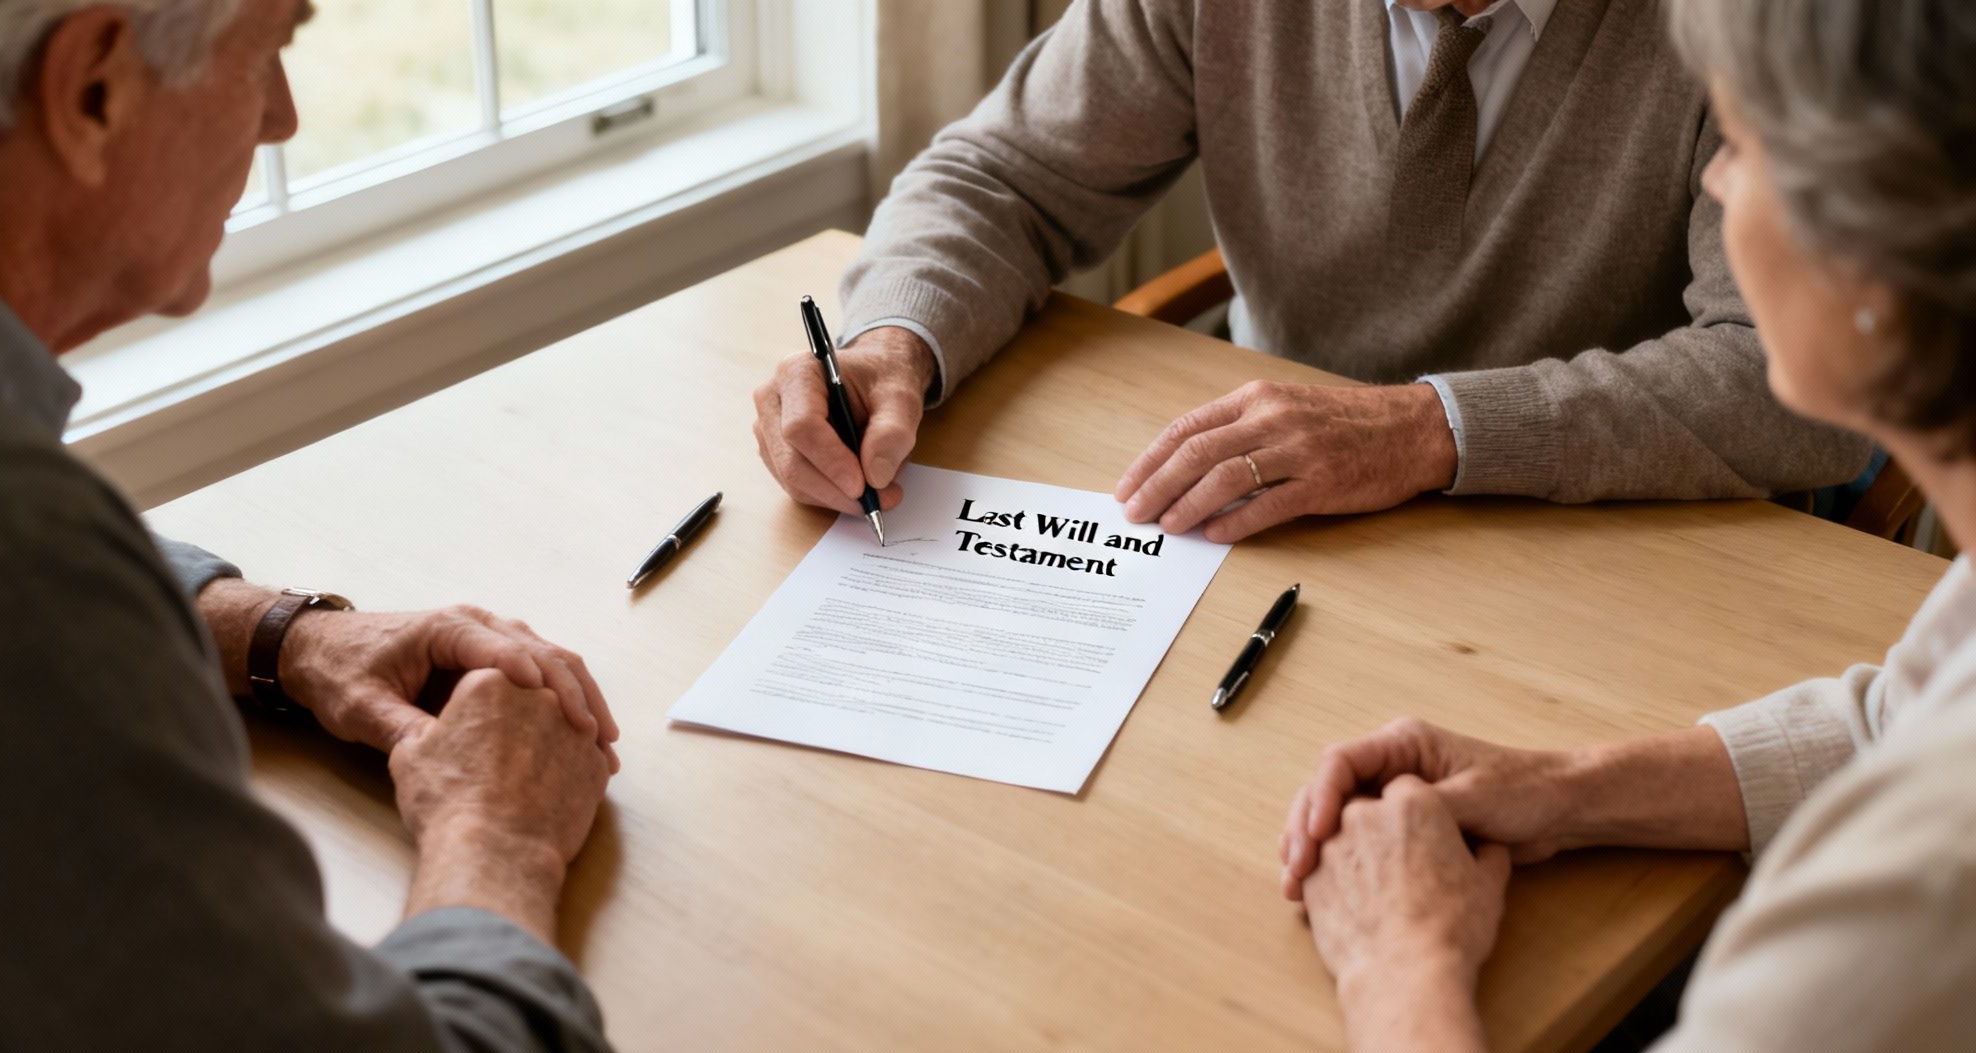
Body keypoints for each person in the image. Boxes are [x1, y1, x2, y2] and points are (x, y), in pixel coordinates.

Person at [1278, 0, 1976, 1053]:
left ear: (1877, 241)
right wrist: (1565, 787)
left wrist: (1398, 963)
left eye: (1741, 151)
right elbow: (1895, 715)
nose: (1711, 186)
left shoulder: (1920, 884)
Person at [0, 2, 624, 1053]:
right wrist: (493, 839)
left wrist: (276, 634)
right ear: (93, 90)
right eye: (269, 50)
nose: (284, 118)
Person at [751, 0, 1875, 545]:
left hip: (1634, 536)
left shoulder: (1762, 23)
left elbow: (1797, 384)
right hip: (1277, 517)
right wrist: (891, 341)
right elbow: (1001, 176)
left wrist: (1423, 432)